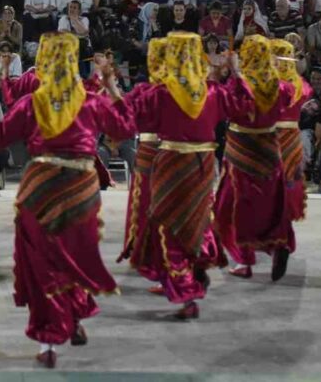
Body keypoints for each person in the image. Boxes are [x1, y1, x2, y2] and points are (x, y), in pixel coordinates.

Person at [0, 33, 134, 368]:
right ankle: (73, 317)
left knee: (44, 261)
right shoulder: (91, 101)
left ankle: (49, 342)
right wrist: (112, 88)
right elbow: (125, 128)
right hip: (81, 189)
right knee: (72, 256)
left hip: (40, 188)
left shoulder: (31, 103)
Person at [129, 32, 249, 320]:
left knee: (168, 223)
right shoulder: (214, 92)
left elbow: (133, 118)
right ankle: (199, 261)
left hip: (171, 163)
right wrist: (237, 73)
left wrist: (110, 88)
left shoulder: (160, 92)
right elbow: (243, 107)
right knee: (198, 216)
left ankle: (187, 292)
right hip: (204, 163)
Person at [213, 35, 296, 281]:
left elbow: (224, 107)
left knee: (232, 207)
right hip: (269, 150)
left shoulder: (239, 84)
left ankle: (245, 260)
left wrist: (226, 75)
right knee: (270, 206)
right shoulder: (281, 86)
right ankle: (276, 246)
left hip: (241, 151)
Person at [119, 38, 167, 291]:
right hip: (168, 154)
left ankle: (151, 253)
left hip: (153, 152)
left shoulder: (144, 92)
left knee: (147, 202)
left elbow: (122, 113)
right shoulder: (176, 92)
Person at [271, 39, 314, 222]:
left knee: (272, 176)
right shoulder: (302, 85)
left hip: (271, 135)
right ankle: (288, 211)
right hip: (293, 135)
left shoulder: (273, 85)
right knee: (289, 175)